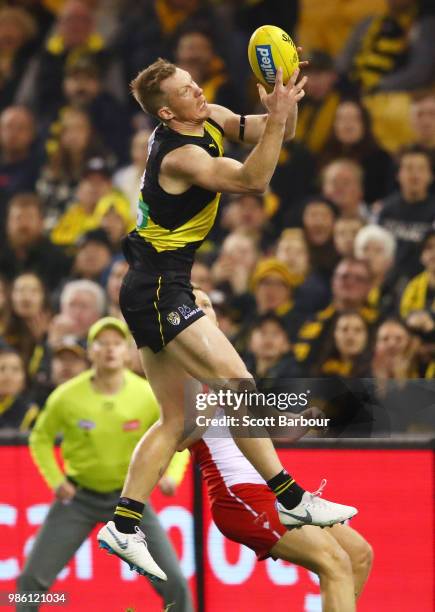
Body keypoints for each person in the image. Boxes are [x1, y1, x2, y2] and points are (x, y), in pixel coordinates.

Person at [97, 58, 357, 580]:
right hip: (158, 288)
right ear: (167, 112)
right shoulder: (182, 155)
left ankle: (122, 527)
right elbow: (254, 179)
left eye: (194, 82)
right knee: (238, 383)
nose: (198, 90)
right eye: (186, 91)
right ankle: (290, 496)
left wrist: (281, 100)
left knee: (179, 422)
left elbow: (271, 132)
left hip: (153, 284)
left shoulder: (205, 115)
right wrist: (279, 120)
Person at [187, 288, 372, 612]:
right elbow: (176, 436)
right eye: (194, 305)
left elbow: (262, 421)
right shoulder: (181, 370)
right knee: (335, 563)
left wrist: (301, 420)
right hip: (237, 493)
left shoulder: (227, 362)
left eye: (207, 304)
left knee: (358, 554)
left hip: (270, 489)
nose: (202, 310)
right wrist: (216, 391)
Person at [18, 316, 193, 611]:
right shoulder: (66, 396)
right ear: (91, 351)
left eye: (117, 343)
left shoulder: (148, 394)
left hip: (130, 500)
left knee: (175, 583)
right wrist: (56, 481)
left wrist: (172, 475)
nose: (110, 350)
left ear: (127, 352)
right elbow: (40, 438)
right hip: (79, 498)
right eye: (102, 343)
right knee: (30, 581)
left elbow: (179, 437)